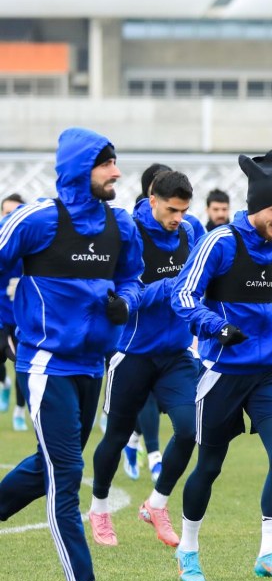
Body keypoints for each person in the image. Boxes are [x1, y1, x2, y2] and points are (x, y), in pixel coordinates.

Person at [0, 128, 143, 581]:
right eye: (106, 163)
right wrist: (3, 323)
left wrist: (127, 302)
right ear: (80, 170)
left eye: (116, 162)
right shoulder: (37, 219)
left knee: (49, 465)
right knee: (66, 473)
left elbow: (133, 277)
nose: (116, 172)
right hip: (44, 364)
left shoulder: (120, 224)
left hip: (92, 364)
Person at [171, 150, 272, 581]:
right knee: (209, 466)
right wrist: (216, 326)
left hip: (269, 372)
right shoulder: (220, 242)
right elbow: (183, 295)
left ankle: (269, 552)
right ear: (255, 207)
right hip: (222, 372)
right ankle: (188, 549)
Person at [88, 170, 198, 548]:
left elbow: (198, 284)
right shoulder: (129, 233)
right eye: (171, 210)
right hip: (132, 353)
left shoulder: (190, 232)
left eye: (183, 210)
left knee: (190, 430)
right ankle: (99, 509)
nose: (178, 218)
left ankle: (156, 504)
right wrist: (165, 288)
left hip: (176, 355)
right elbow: (121, 294)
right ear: (152, 201)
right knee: (117, 436)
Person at [0, 193, 28, 430]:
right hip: (1, 315)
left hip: (23, 318)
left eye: (16, 213)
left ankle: (19, 411)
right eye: (7, 213)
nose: (10, 218)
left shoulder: (32, 248)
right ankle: (4, 383)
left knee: (20, 362)